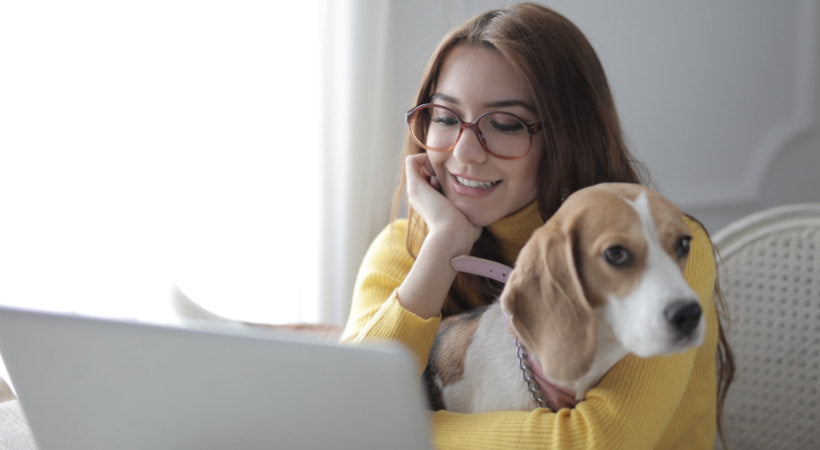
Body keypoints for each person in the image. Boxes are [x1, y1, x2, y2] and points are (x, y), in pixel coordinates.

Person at [341, 3, 734, 449]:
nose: (465, 151)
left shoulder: (673, 246)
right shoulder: (404, 248)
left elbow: (596, 442)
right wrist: (444, 246)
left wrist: (392, 431)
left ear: (568, 135)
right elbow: (344, 405)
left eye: (505, 123)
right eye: (446, 118)